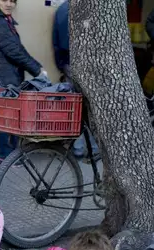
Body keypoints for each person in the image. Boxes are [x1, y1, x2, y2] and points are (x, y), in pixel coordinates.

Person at [0, 0, 47, 166]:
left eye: (13, 1)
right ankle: (5, 156)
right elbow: (13, 50)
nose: (10, 4)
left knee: (9, 115)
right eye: (5, 0)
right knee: (7, 116)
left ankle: (8, 155)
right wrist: (37, 69)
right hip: (4, 77)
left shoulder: (3, 19)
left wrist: (36, 67)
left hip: (8, 75)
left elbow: (17, 48)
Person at [51, 0, 98, 159]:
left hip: (68, 63)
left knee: (74, 107)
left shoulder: (62, 9)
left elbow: (56, 40)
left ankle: (76, 146)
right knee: (91, 107)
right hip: (85, 64)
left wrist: (61, 64)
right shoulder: (86, 8)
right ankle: (92, 147)